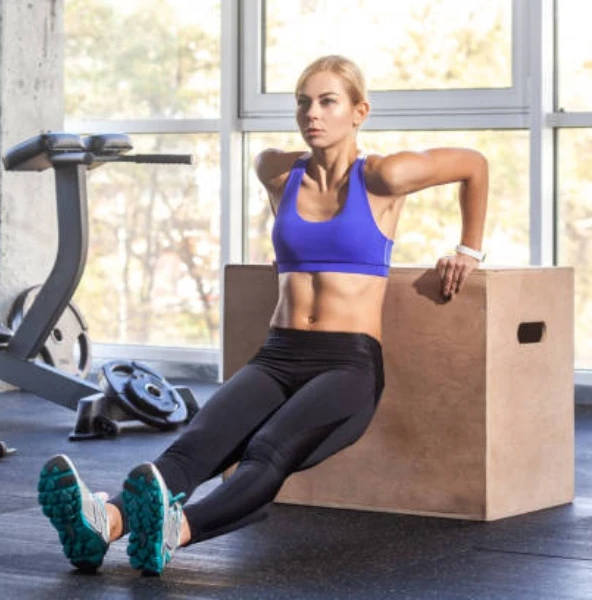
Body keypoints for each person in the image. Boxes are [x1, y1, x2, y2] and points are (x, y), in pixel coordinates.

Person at [37, 54, 488, 576]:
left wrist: (468, 251)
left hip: (347, 365)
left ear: (359, 111)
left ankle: (176, 530)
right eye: (303, 102)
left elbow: (473, 164)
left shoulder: (384, 176)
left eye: (327, 102)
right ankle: (105, 524)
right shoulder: (276, 170)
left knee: (268, 451)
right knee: (196, 445)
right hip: (279, 353)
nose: (311, 114)